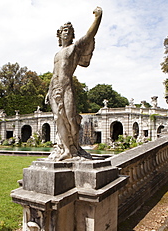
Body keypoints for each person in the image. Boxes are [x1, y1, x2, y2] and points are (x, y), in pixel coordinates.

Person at [46, 7, 102, 161]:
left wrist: (98, 18)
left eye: (69, 31)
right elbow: (54, 73)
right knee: (58, 119)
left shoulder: (75, 48)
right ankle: (66, 150)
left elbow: (89, 35)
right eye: (64, 30)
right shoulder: (57, 54)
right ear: (59, 34)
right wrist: (48, 90)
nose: (66, 33)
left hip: (66, 86)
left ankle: (75, 147)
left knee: (71, 118)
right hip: (54, 87)